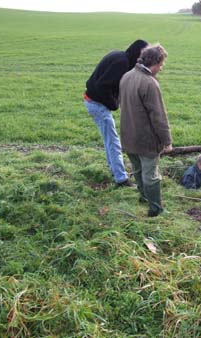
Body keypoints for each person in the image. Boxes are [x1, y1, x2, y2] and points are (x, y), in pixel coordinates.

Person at [84, 39, 148, 187]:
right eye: (142, 57)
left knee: (109, 140)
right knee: (113, 142)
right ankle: (121, 179)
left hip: (93, 101)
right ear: (137, 53)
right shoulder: (121, 63)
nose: (142, 61)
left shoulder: (121, 57)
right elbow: (102, 86)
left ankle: (115, 171)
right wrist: (113, 104)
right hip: (96, 104)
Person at [119, 44, 172, 217]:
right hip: (146, 139)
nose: (162, 68)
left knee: (137, 169)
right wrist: (167, 141)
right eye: (161, 64)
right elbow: (159, 117)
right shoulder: (149, 83)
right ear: (155, 62)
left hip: (128, 137)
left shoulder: (126, 76)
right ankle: (155, 209)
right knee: (151, 175)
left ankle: (143, 197)